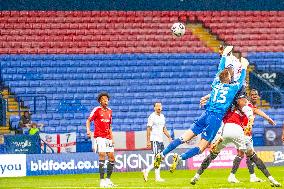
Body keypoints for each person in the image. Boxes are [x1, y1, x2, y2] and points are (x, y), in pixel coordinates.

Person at [153, 60, 248, 172]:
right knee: (201, 147)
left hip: (205, 114)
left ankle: (162, 154)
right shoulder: (233, 88)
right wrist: (245, 67)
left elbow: (219, 70)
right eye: (229, 75)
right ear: (228, 78)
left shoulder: (216, 83)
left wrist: (223, 57)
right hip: (215, 118)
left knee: (184, 137)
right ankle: (180, 158)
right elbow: (241, 79)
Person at [190, 89, 281, 187]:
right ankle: (271, 179)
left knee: (212, 155)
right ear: (241, 100)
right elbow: (252, 112)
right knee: (253, 156)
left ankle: (196, 176)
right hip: (239, 132)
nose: (245, 101)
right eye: (244, 99)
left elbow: (215, 104)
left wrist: (205, 102)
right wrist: (261, 120)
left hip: (224, 132)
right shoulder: (247, 106)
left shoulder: (227, 107)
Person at [86, 92, 116, 188]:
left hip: (108, 137)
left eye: (106, 99)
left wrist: (112, 137)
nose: (105, 100)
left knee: (112, 157)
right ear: (100, 101)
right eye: (103, 99)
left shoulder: (110, 111)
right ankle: (102, 181)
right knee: (102, 154)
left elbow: (109, 125)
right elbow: (88, 120)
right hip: (99, 137)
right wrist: (88, 130)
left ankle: (108, 180)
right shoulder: (97, 110)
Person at [142, 102, 172, 182]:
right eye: (157, 106)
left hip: (161, 140)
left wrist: (169, 136)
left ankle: (153, 175)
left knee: (160, 158)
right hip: (154, 140)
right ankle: (150, 173)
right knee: (158, 158)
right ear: (154, 108)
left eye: (160, 106)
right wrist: (148, 141)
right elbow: (148, 128)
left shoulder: (162, 116)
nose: (159, 107)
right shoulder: (152, 116)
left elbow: (163, 128)